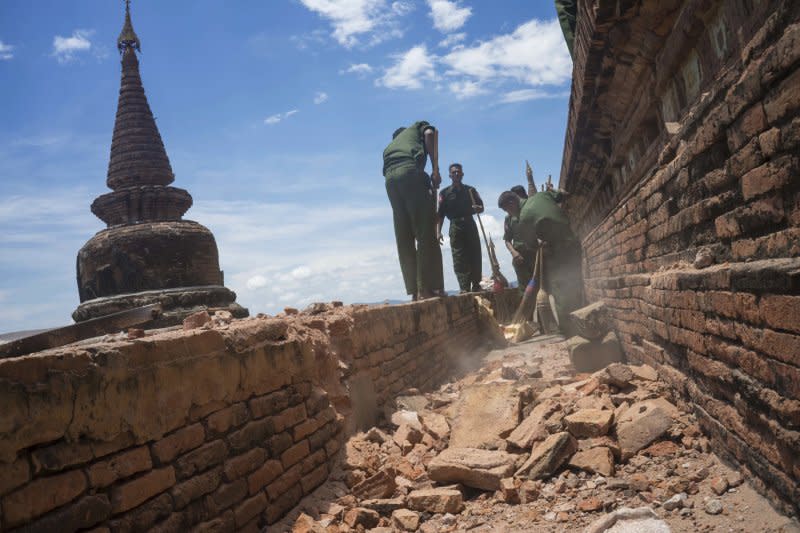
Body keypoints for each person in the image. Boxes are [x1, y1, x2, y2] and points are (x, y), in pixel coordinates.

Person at [383, 121, 445, 300]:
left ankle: (415, 292)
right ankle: (425, 289)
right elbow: (429, 134)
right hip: (409, 172)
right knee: (425, 231)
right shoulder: (418, 127)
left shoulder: (391, 146)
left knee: (404, 235)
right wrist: (435, 170)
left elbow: (393, 175)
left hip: (390, 181)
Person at [515, 183, 583, 335]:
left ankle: (569, 330)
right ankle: (584, 323)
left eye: (506, 210)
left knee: (559, 288)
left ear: (512, 203)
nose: (509, 213)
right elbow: (564, 193)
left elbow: (532, 244)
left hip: (557, 250)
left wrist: (541, 242)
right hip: (572, 240)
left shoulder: (523, 216)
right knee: (576, 282)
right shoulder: (542, 195)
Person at [436, 163, 484, 293]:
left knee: (474, 254)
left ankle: (476, 285)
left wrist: (477, 209)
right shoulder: (444, 193)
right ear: (450, 175)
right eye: (454, 172)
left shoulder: (471, 190)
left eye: (458, 172)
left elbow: (481, 207)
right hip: (455, 226)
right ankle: (464, 287)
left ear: (462, 174)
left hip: (469, 223)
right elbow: (440, 215)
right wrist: (438, 232)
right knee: (459, 257)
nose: (456, 174)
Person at [499, 187, 535, 292]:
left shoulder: (529, 211)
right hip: (520, 257)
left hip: (535, 254)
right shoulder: (509, 218)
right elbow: (507, 240)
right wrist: (514, 252)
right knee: (525, 288)